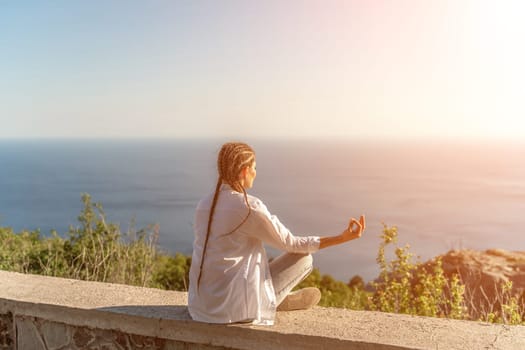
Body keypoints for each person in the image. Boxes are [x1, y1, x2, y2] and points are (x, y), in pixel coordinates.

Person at [188, 142, 365, 325]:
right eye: (254, 168)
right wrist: (341, 238)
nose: (256, 173)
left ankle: (274, 298)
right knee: (304, 257)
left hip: (200, 307)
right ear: (244, 171)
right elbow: (292, 244)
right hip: (232, 310)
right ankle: (271, 301)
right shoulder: (249, 207)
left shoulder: (204, 205)